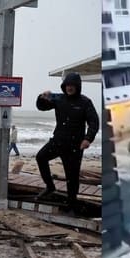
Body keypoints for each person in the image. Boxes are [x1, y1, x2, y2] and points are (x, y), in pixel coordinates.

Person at [35, 72, 99, 211]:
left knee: (72, 176)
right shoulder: (58, 98)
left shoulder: (85, 102)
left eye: (72, 85)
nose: (69, 88)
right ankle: (50, 187)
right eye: (67, 85)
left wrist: (88, 139)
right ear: (64, 86)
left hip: (75, 146)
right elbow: (41, 107)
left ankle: (71, 204)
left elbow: (94, 122)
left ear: (78, 86)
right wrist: (41, 97)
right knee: (40, 157)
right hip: (58, 141)